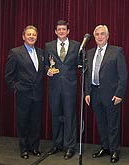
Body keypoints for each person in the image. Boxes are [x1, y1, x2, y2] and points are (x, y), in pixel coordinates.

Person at [85, 25, 127, 163]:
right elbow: (87, 75)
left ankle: (114, 150)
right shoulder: (89, 52)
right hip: (95, 93)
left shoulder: (116, 51)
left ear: (107, 36)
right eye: (97, 34)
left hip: (111, 95)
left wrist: (119, 94)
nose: (99, 36)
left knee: (113, 124)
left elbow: (123, 75)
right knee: (101, 123)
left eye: (102, 34)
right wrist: (87, 92)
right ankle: (105, 147)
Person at [5, 25, 45, 159]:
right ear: (23, 37)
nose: (32, 36)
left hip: (38, 94)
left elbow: (42, 71)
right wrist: (16, 88)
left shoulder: (41, 52)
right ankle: (24, 149)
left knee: (35, 123)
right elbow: (8, 76)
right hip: (23, 94)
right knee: (23, 123)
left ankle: (34, 147)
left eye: (34, 34)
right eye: (29, 34)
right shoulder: (15, 52)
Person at [44, 20, 80, 160]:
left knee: (70, 117)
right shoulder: (48, 46)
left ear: (68, 31)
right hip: (54, 88)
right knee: (56, 116)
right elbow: (46, 64)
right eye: (58, 29)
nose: (61, 31)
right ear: (55, 31)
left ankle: (70, 147)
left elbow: (80, 63)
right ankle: (57, 144)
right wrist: (48, 70)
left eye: (63, 29)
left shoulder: (77, 45)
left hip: (70, 88)